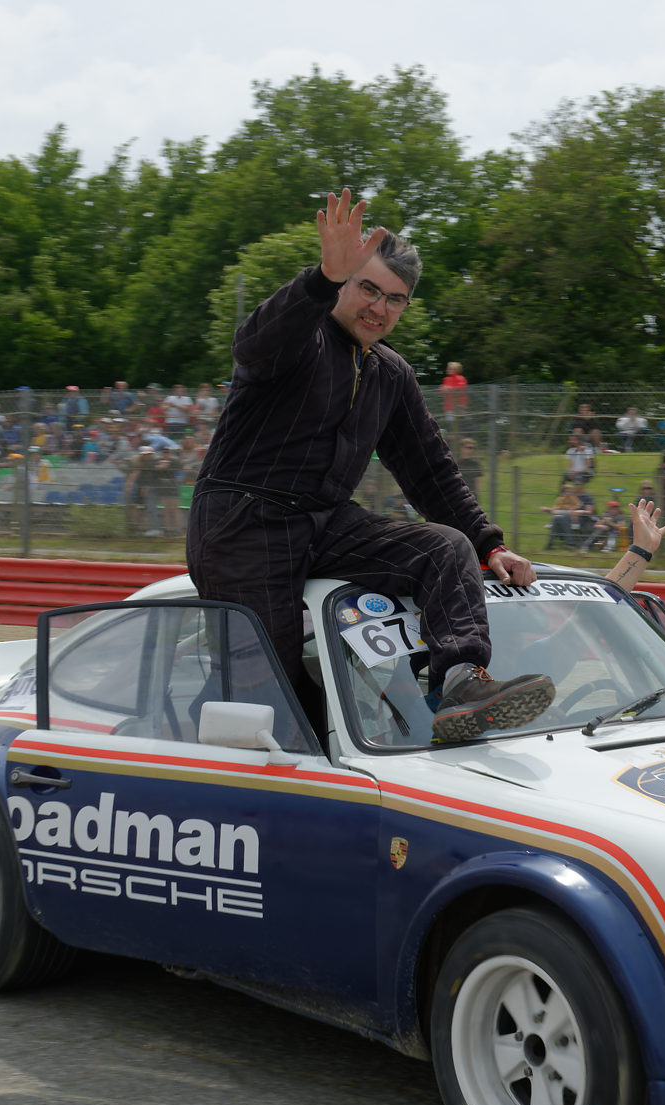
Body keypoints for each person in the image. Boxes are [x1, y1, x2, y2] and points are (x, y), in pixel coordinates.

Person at [186, 190, 548, 742]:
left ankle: (458, 684)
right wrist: (321, 277)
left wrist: (489, 544)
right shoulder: (299, 335)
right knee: (274, 700)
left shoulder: (392, 374)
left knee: (445, 547)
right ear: (344, 284)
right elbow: (252, 345)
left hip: (326, 519)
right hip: (243, 521)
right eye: (367, 288)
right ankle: (190, 735)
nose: (379, 307)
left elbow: (430, 469)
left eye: (395, 299)